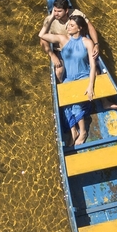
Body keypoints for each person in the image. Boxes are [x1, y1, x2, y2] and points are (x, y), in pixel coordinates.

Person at [40, 14, 98, 146]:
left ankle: (83, 132)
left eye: (72, 25)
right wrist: (52, 17)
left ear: (79, 28)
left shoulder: (87, 42)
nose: (68, 27)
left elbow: (93, 65)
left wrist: (90, 85)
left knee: (76, 104)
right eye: (68, 25)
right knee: (64, 103)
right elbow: (42, 34)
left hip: (83, 76)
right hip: (69, 78)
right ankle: (73, 131)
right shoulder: (63, 39)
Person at [40, 0, 100, 78]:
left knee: (96, 71)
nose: (56, 14)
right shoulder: (49, 20)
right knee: (58, 72)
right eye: (55, 10)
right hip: (61, 50)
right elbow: (42, 39)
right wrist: (52, 55)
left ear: (66, 10)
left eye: (59, 11)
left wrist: (96, 44)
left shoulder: (76, 13)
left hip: (79, 46)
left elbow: (90, 28)